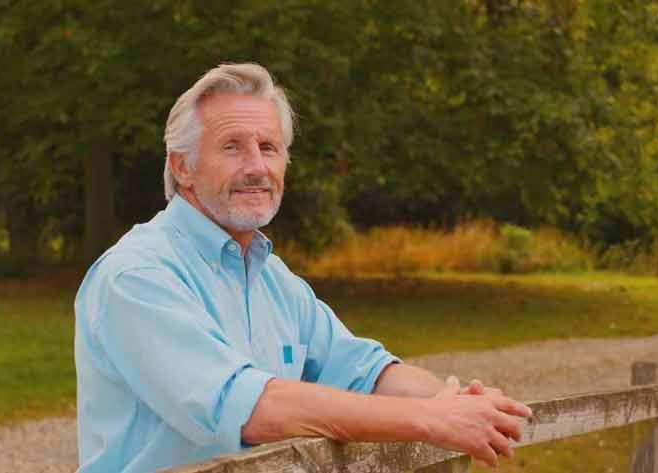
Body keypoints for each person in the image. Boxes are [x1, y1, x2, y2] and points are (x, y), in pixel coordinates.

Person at [74, 63, 532, 473]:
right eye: (232, 147)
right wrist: (432, 420)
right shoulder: (136, 276)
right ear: (183, 167)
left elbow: (366, 373)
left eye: (269, 147)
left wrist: (459, 403)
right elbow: (250, 408)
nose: (256, 167)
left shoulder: (273, 278)